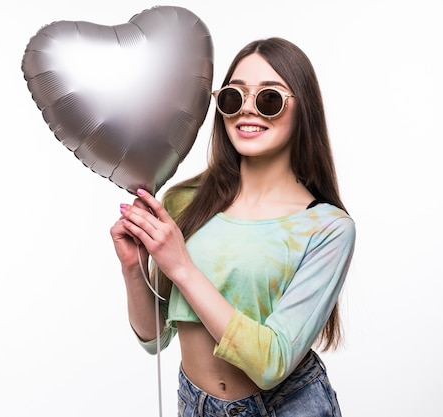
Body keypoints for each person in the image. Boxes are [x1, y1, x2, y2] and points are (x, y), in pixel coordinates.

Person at [110, 37, 356, 417]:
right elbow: (154, 339)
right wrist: (133, 267)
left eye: (269, 99)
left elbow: (271, 364)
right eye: (232, 98)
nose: (247, 111)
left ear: (303, 109)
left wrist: (181, 266)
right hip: (195, 405)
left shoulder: (326, 228)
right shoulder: (185, 201)